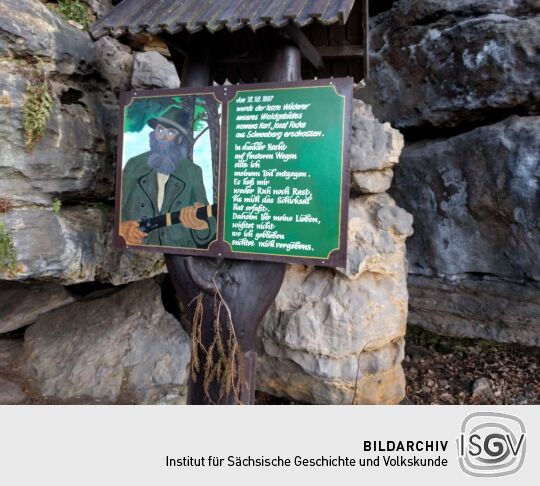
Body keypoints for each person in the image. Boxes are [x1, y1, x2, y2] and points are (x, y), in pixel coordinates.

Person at [119, 105, 216, 248]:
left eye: (170, 132)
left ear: (179, 140)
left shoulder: (192, 171)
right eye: (160, 130)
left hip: (179, 247)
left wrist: (201, 225)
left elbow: (208, 219)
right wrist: (123, 229)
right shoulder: (134, 165)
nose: (162, 138)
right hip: (139, 248)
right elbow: (119, 210)